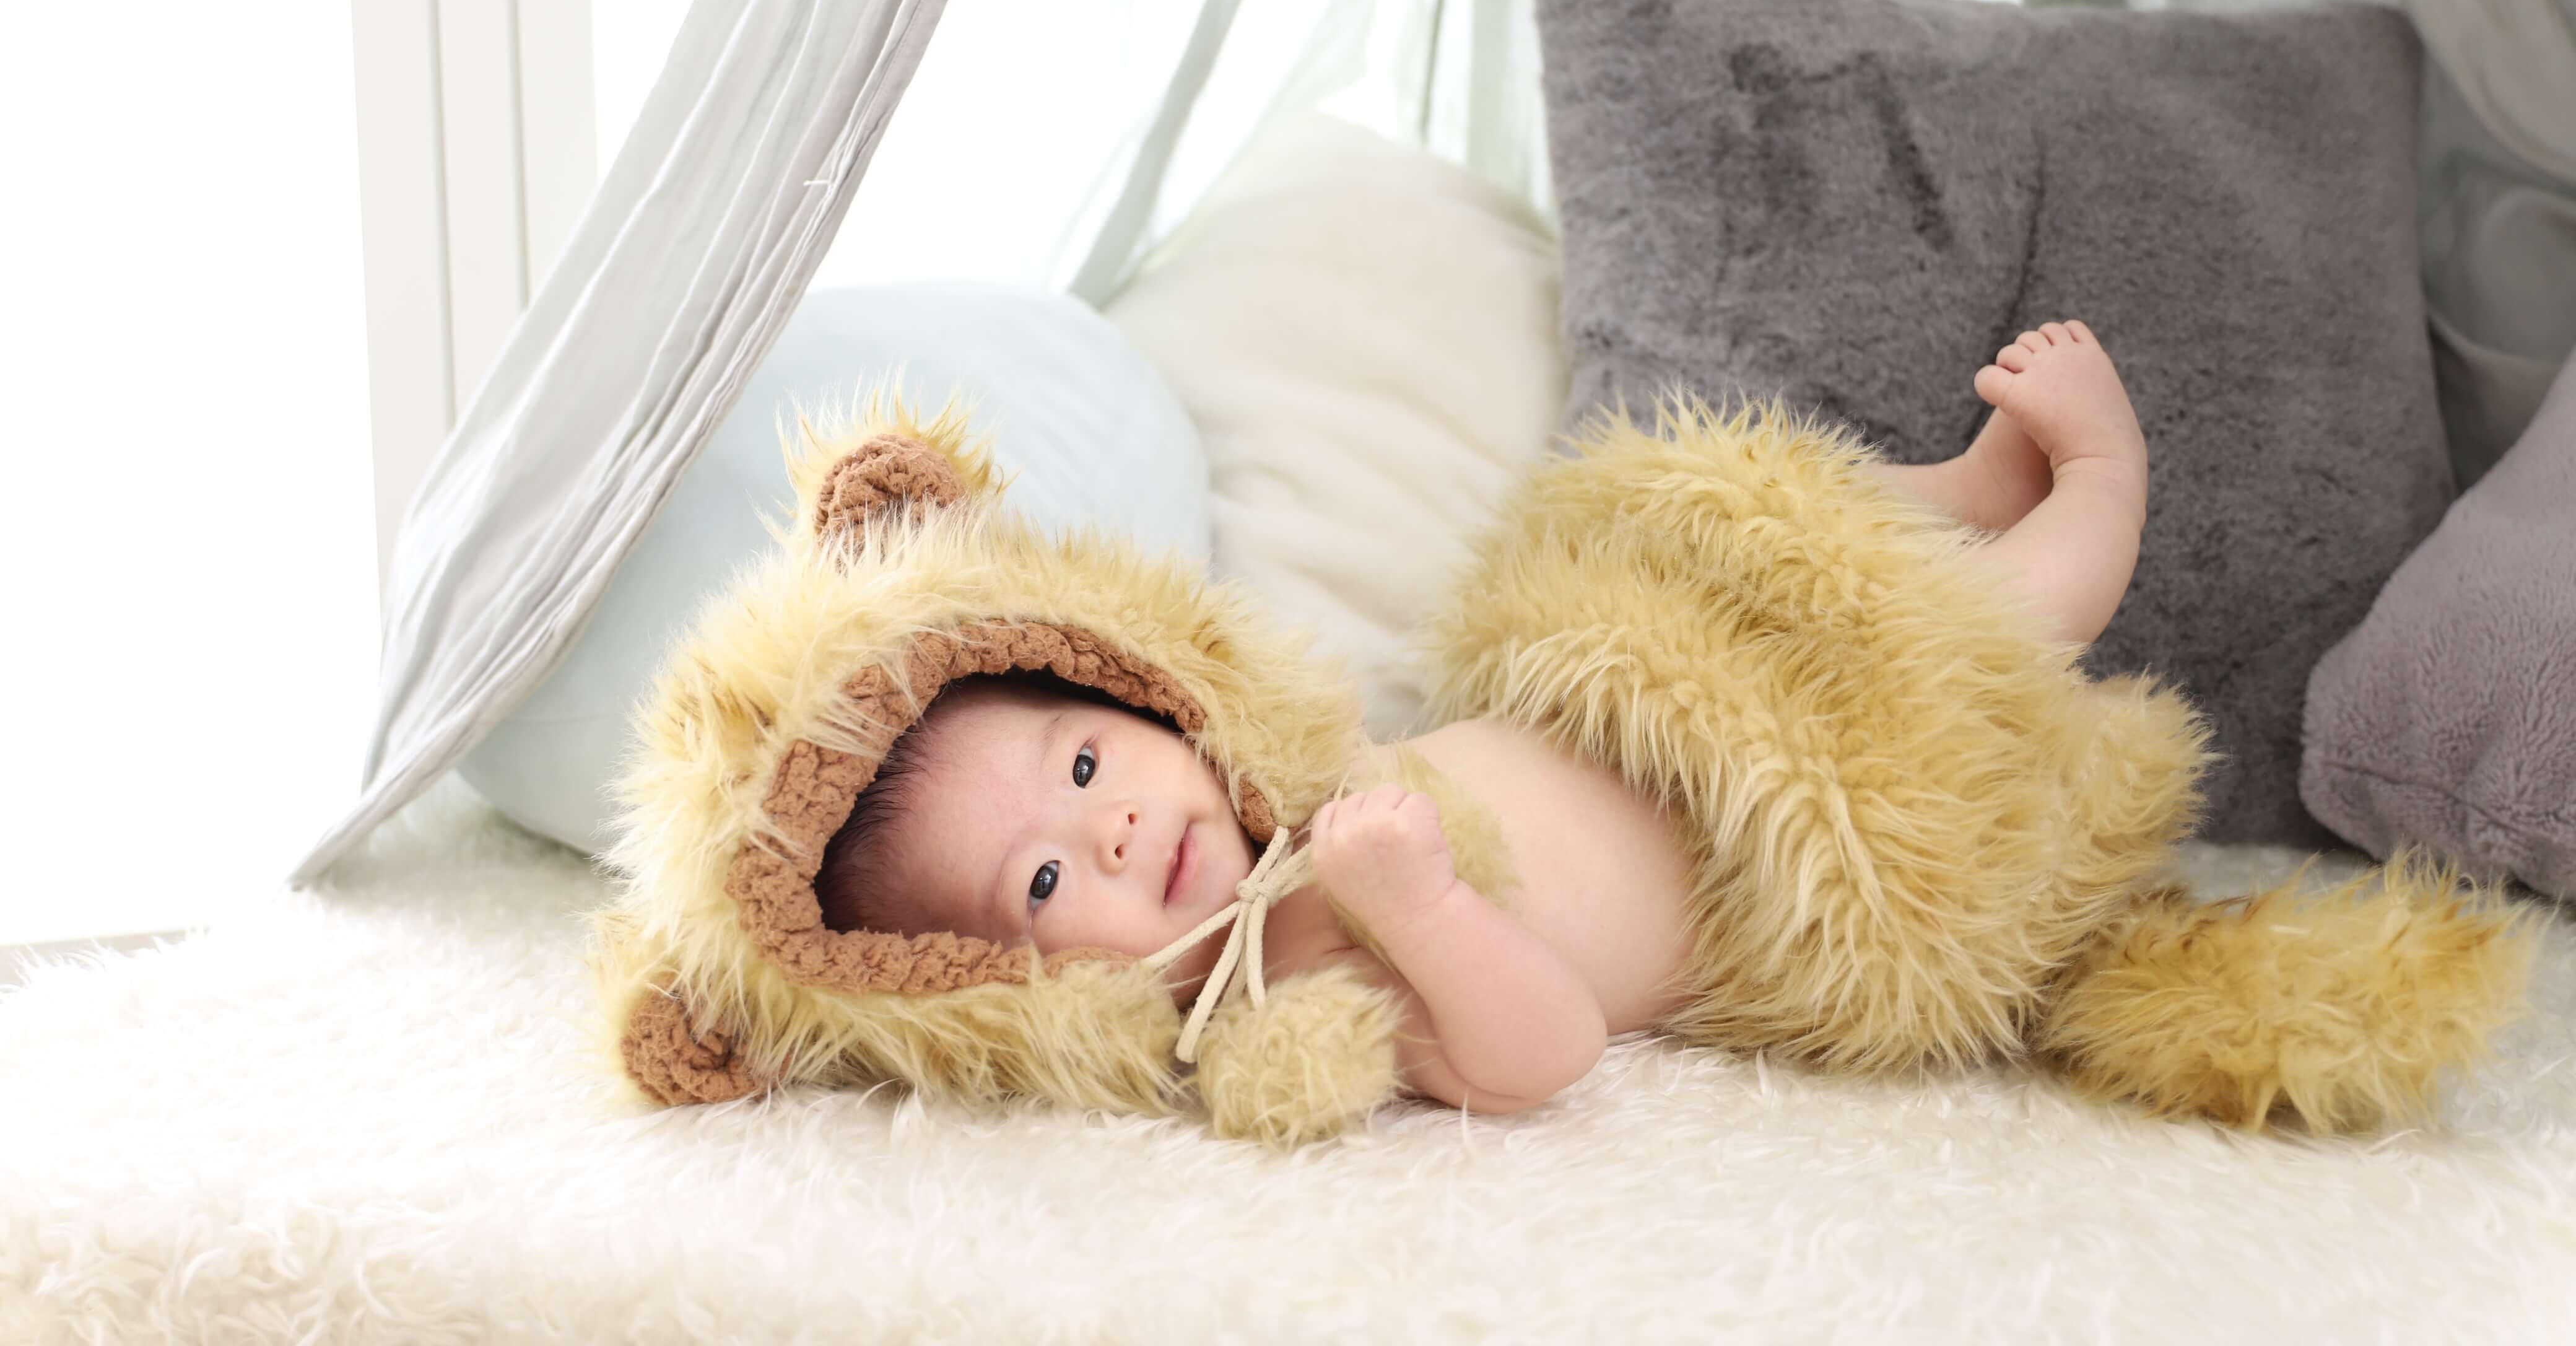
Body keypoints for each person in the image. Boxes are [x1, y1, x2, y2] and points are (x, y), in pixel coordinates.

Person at [817, 320, 2150, 1117]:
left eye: (1085, 761)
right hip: (1790, 848)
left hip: (1656, 691)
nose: (1109, 828)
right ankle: (2100, 479)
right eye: (1043, 881)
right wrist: (1422, 908)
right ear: (1023, 992)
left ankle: (1957, 495)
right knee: (1961, 647)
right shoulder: (1297, 986)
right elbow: (1546, 1053)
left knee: (1713, 523)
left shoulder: (1286, 776)